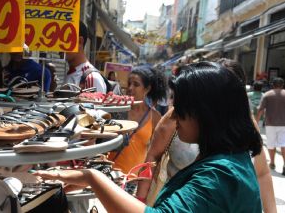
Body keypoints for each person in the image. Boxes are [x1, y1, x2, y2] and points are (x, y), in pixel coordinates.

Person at [35, 62, 263, 212]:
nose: (176, 114)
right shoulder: (231, 160)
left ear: (207, 113)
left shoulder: (220, 174)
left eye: (181, 105)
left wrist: (93, 177)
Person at [137, 59, 276, 213]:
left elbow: (262, 173)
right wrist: (140, 198)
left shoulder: (219, 173)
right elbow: (152, 157)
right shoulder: (228, 154)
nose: (175, 115)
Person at [107, 66, 166, 174]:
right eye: (129, 83)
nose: (130, 88)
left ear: (147, 89)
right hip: (108, 174)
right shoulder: (116, 110)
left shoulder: (155, 117)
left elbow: (156, 154)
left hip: (133, 179)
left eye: (136, 84)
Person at [65, 22, 106, 93]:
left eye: (65, 40)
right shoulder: (71, 73)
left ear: (80, 41)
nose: (59, 46)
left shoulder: (91, 78)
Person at [257, 77, 285, 175]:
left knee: (271, 144)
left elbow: (260, 110)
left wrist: (256, 122)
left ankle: (272, 163)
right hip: (284, 124)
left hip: (270, 124)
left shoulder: (267, 94)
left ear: (272, 85)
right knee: (283, 144)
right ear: (282, 85)